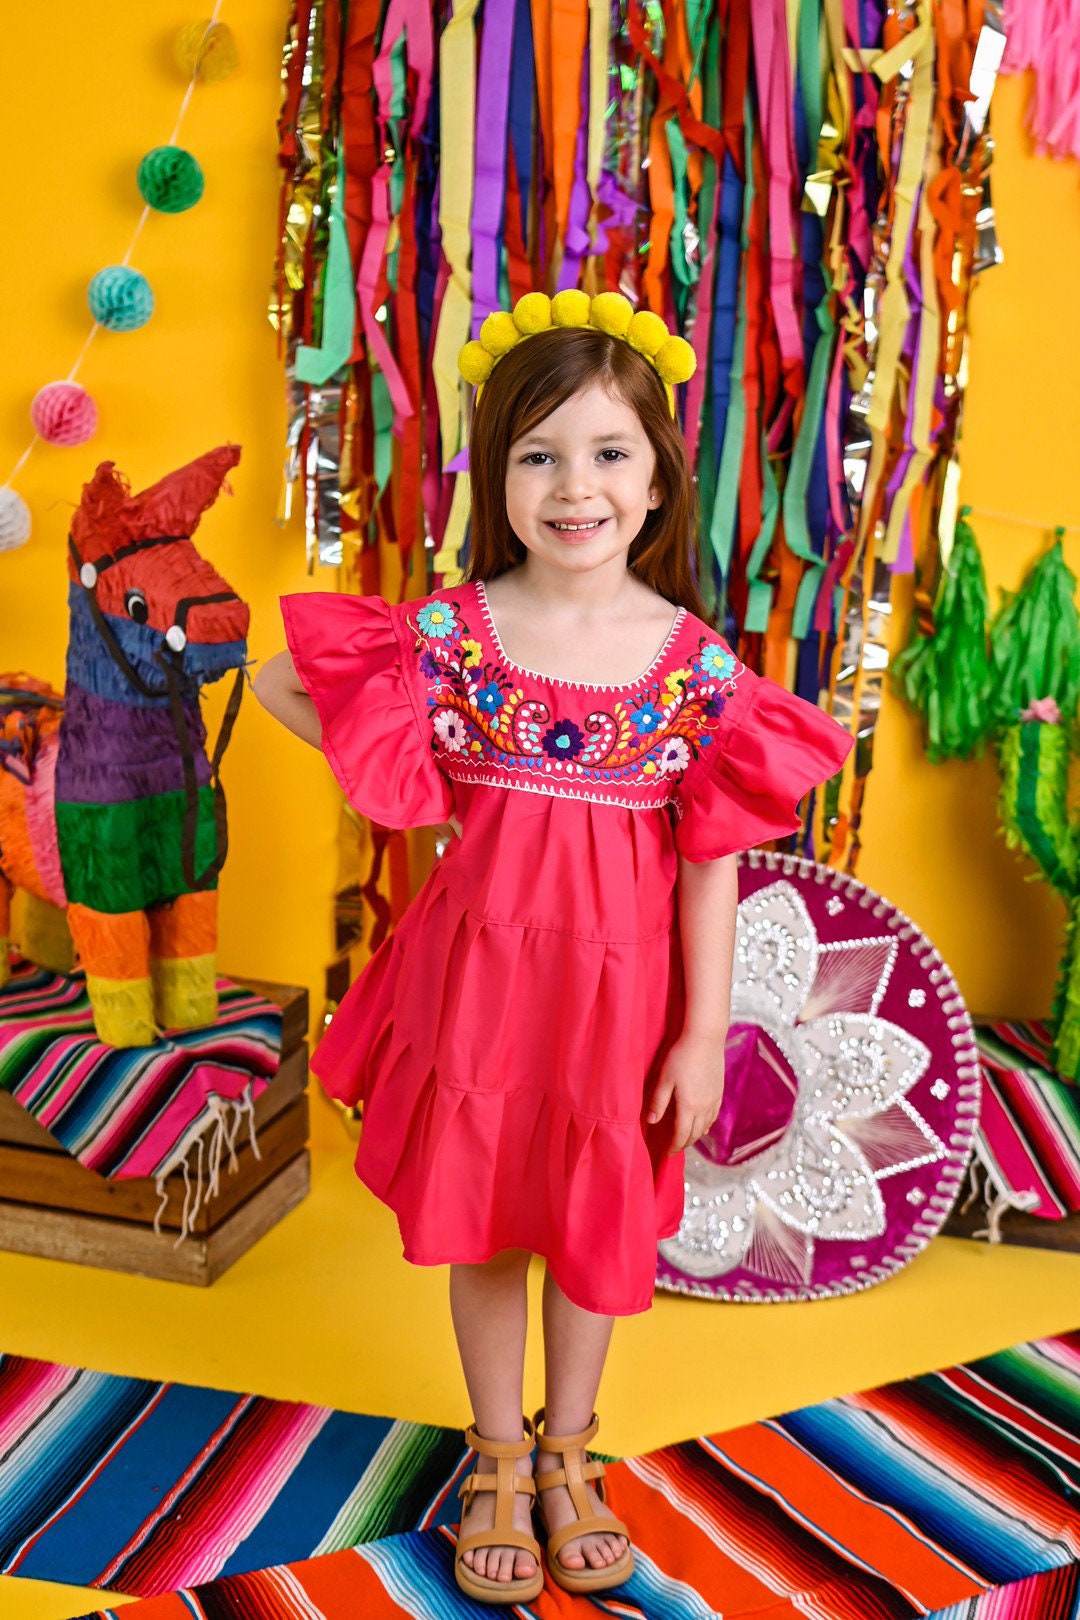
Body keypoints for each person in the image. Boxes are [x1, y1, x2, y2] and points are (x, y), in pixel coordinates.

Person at [254, 291, 854, 1606]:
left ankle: (572, 1453)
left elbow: (711, 860)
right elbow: (284, 676)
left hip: (621, 1001)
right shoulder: (454, 641)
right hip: (478, 987)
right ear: (498, 476)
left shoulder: (694, 668)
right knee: (490, 1227)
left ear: (654, 484)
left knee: (588, 1224)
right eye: (538, 454)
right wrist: (419, 760)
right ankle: (496, 1455)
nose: (573, 485)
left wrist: (701, 1033)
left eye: (606, 454)